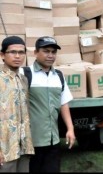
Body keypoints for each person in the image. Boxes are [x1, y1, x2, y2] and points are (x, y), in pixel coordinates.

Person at [23, 36, 76, 173]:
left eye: (53, 52)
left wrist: (70, 129)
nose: (50, 55)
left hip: (54, 140)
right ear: (35, 53)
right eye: (46, 51)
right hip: (32, 142)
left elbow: (63, 103)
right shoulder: (25, 74)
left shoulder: (58, 76)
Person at [0, 36, 35, 172]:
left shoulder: (23, 80)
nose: (17, 56)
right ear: (2, 55)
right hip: (5, 150)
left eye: (21, 52)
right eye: (13, 52)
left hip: (23, 146)